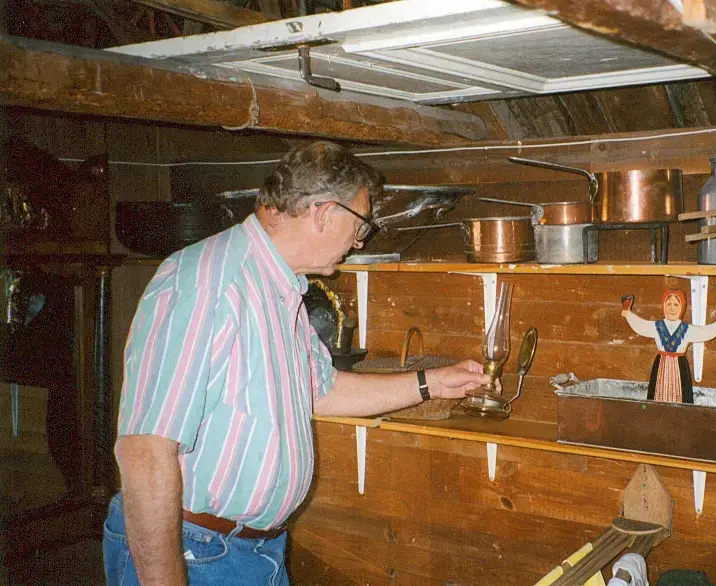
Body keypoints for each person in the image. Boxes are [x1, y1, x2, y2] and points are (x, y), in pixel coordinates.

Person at [103, 141, 492, 586]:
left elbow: (321, 390)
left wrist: (431, 384)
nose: (359, 241)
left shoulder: (280, 286)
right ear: (324, 213)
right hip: (197, 551)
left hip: (252, 550)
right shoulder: (207, 282)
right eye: (360, 225)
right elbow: (145, 451)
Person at [621, 288, 716, 404]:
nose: (672, 308)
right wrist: (628, 314)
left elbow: (703, 332)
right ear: (663, 306)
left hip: (679, 366)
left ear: (682, 307)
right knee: (658, 396)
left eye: (676, 305)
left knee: (681, 397)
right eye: (669, 304)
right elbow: (642, 326)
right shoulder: (657, 326)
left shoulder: (686, 329)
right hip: (661, 365)